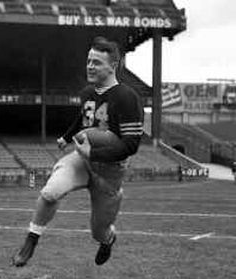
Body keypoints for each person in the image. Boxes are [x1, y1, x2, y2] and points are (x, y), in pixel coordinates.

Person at [12, 36, 144, 267]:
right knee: (50, 192)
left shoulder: (127, 97)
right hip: (81, 160)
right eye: (89, 61)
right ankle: (31, 239)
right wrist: (66, 136)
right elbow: (83, 119)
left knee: (98, 232)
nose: (90, 66)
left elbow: (131, 145)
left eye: (97, 62)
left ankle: (108, 240)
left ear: (113, 66)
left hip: (109, 171)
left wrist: (93, 154)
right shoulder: (86, 93)